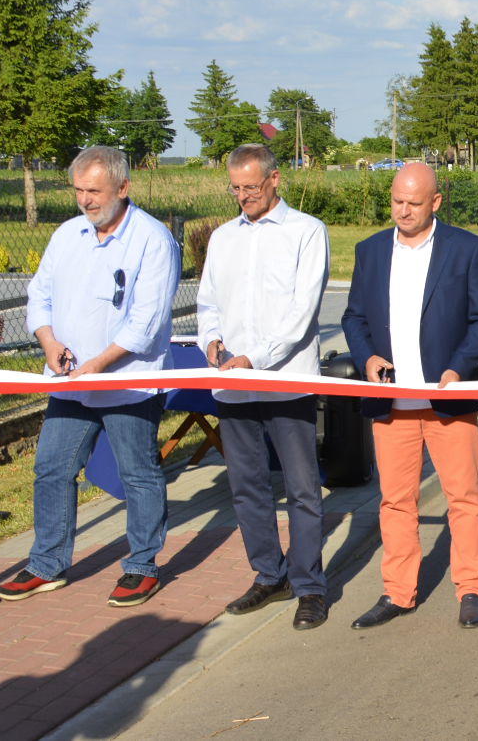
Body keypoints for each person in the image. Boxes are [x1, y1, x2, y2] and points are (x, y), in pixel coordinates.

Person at [0, 146, 180, 608]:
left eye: (93, 191)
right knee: (51, 468)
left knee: (138, 473)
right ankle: (46, 564)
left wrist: (99, 363)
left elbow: (147, 323)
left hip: (127, 381)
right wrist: (49, 343)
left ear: (122, 188)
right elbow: (39, 295)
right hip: (70, 381)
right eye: (78, 190)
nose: (84, 200)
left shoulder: (153, 240)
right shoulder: (67, 235)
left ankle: (141, 567)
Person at [341, 163, 478, 630]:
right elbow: (353, 317)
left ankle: (471, 587)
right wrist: (367, 357)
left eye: (413, 202)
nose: (403, 210)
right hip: (391, 403)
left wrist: (457, 367)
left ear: (435, 202)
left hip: (447, 399)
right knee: (394, 501)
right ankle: (398, 592)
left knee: (464, 497)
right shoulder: (369, 251)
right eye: (396, 200)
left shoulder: (466, 249)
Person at [196, 143, 333, 630]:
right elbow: (207, 302)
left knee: (301, 488)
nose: (243, 197)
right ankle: (268, 575)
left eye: (250, 187)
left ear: (275, 179)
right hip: (232, 385)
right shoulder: (223, 239)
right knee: (247, 487)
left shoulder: (307, 232)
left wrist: (253, 358)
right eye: (235, 189)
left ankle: (310, 586)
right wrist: (212, 345)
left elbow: (301, 315)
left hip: (287, 380)